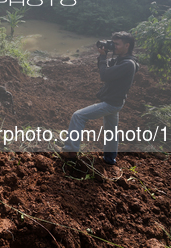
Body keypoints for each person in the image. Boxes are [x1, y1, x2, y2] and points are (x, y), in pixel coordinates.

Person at [58, 31, 139, 166]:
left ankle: (70, 151)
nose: (114, 46)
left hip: (111, 102)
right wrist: (103, 55)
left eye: (117, 44)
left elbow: (104, 75)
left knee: (78, 116)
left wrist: (102, 57)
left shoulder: (128, 64)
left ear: (127, 45)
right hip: (116, 101)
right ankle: (109, 159)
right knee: (111, 131)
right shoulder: (123, 60)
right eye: (113, 43)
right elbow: (105, 68)